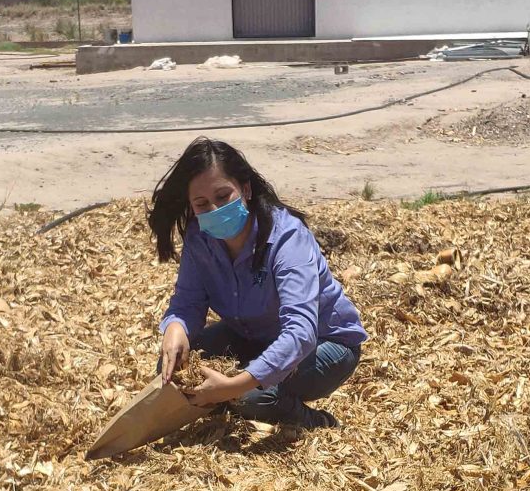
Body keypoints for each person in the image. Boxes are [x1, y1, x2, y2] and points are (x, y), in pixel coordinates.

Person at [148, 137, 368, 429]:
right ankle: (231, 397)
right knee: (171, 367)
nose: (214, 209)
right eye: (201, 204)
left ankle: (315, 422)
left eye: (223, 196)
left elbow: (301, 332)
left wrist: (231, 387)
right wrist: (176, 328)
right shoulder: (199, 238)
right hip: (252, 334)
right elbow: (188, 302)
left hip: (325, 342)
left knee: (250, 397)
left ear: (246, 189)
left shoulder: (287, 238)